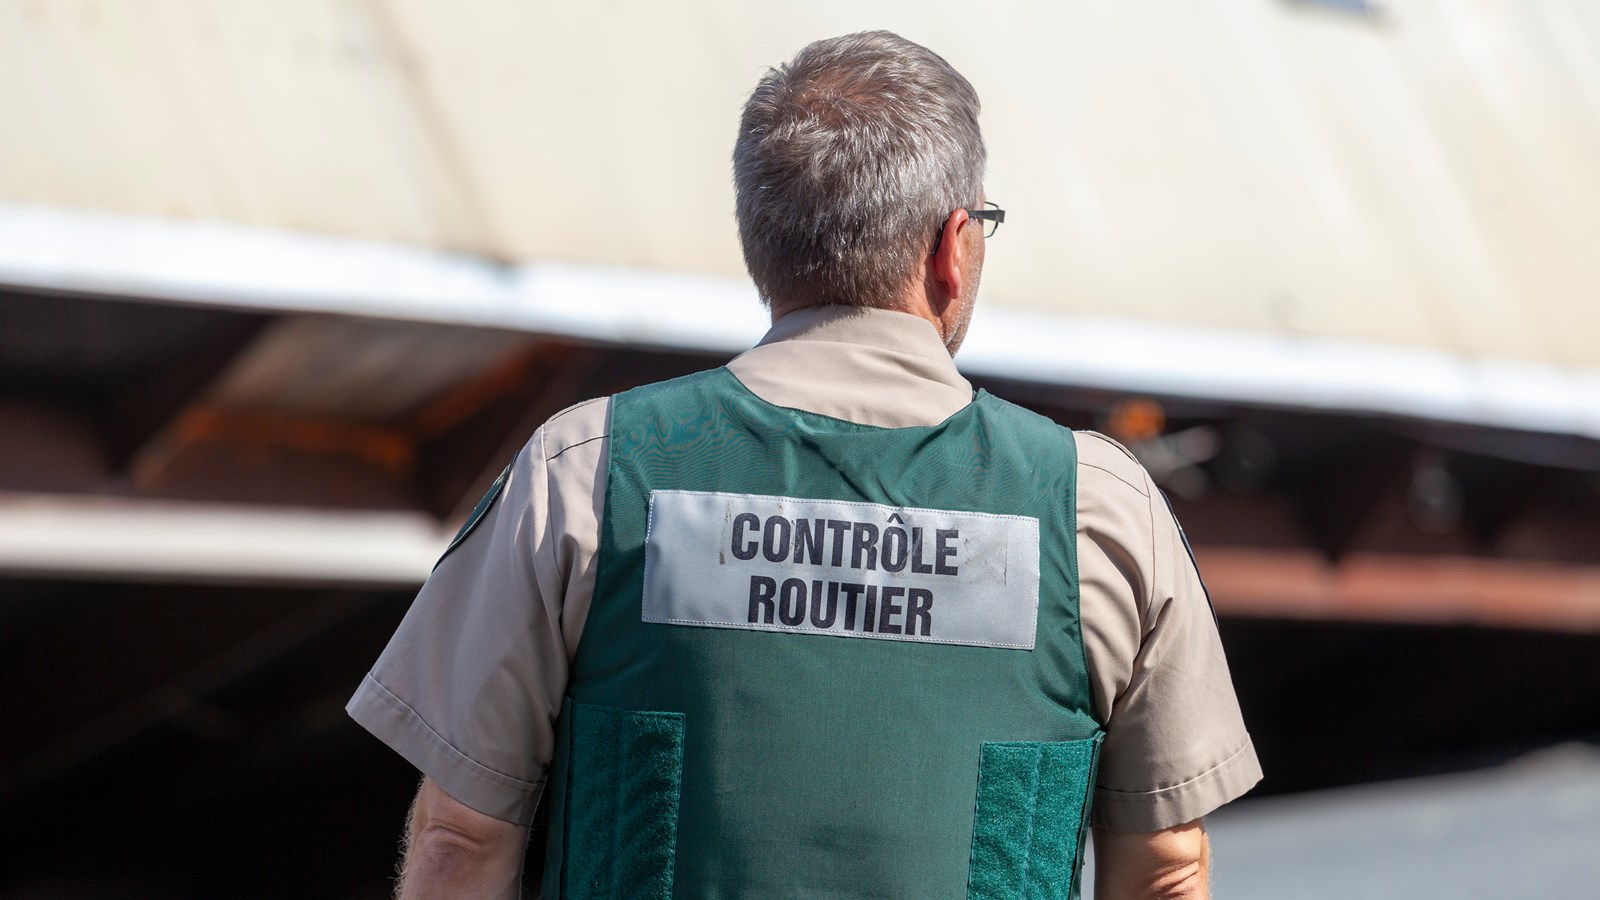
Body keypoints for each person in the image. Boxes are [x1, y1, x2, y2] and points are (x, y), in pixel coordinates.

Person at [348, 30, 1260, 900]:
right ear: (952, 249)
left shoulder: (585, 472)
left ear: (761, 241)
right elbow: (1169, 867)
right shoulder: (1094, 506)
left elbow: (460, 838)